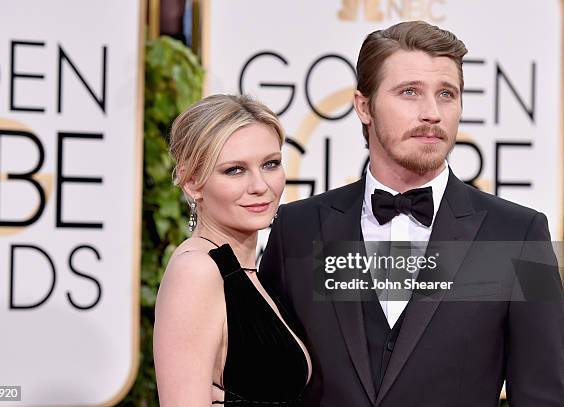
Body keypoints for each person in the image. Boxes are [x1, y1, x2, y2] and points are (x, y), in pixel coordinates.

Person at [259, 21, 564, 406]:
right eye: (409, 93)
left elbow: (545, 395)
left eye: (446, 94)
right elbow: (264, 382)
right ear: (364, 106)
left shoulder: (522, 234)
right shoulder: (297, 229)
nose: (432, 113)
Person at [153, 94, 312, 406]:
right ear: (193, 182)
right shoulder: (197, 270)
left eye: (271, 164)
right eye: (235, 170)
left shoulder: (251, 273)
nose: (259, 185)